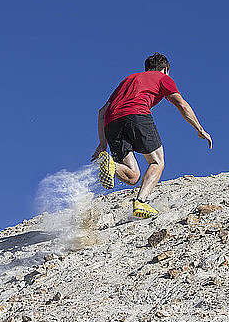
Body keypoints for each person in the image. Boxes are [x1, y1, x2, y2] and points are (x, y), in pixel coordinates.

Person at [90, 53, 212, 218]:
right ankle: (141, 202)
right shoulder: (162, 78)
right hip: (137, 113)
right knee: (157, 161)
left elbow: (102, 112)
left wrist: (102, 145)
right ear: (166, 69)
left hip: (111, 123)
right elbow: (181, 104)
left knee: (132, 176)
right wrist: (199, 128)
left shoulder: (128, 80)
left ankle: (111, 165)